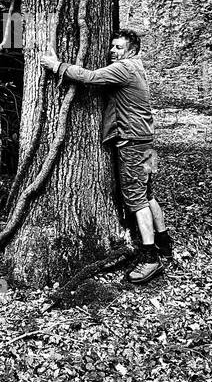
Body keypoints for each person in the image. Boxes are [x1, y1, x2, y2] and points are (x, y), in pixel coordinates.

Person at [39, 28, 174, 285]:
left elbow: (88, 77)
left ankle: (150, 257)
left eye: (119, 47)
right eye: (112, 46)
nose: (113, 50)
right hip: (146, 142)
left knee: (135, 199)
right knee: (147, 194)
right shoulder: (137, 67)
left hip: (133, 143)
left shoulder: (124, 68)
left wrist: (57, 66)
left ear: (131, 50)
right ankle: (164, 241)